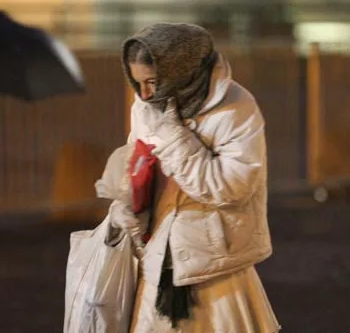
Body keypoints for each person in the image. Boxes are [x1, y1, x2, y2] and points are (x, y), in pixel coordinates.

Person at [109, 23, 281, 332]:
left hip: (215, 268)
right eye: (138, 84)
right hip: (157, 260)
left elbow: (229, 188)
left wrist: (173, 135)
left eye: (152, 81)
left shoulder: (236, 109)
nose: (145, 94)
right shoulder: (147, 106)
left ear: (178, 70)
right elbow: (135, 163)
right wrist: (127, 204)